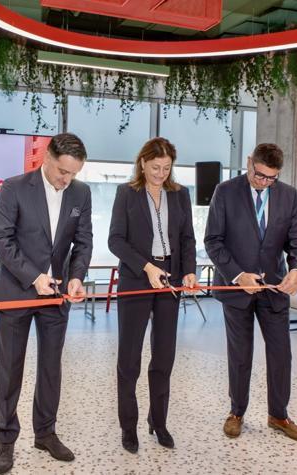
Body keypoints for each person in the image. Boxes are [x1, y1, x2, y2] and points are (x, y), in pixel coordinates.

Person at [0, 133, 93, 473]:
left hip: (57, 295)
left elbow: (83, 241)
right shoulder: (14, 188)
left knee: (51, 367)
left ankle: (45, 433)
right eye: (63, 171)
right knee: (10, 368)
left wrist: (76, 276)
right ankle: (6, 439)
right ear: (47, 158)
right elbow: (1, 239)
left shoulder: (81, 193)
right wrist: (34, 277)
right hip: (17, 291)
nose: (67, 180)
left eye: (73, 174)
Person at [204, 143, 297, 443]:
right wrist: (238, 275)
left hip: (275, 288)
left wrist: (296, 270)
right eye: (259, 175)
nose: (263, 182)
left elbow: (296, 241)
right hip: (237, 289)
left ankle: (279, 415)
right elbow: (213, 241)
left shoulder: (288, 195)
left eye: (271, 178)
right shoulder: (225, 191)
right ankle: (236, 412)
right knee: (240, 354)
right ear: (250, 162)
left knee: (281, 354)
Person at [108, 137, 196, 454]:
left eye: (166, 168)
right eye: (155, 167)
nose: (160, 174)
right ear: (143, 163)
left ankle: (158, 422)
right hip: (137, 277)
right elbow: (115, 240)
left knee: (164, 357)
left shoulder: (180, 194)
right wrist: (146, 267)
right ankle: (128, 427)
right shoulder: (126, 194)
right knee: (129, 359)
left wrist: (189, 271)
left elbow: (187, 237)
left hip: (170, 277)